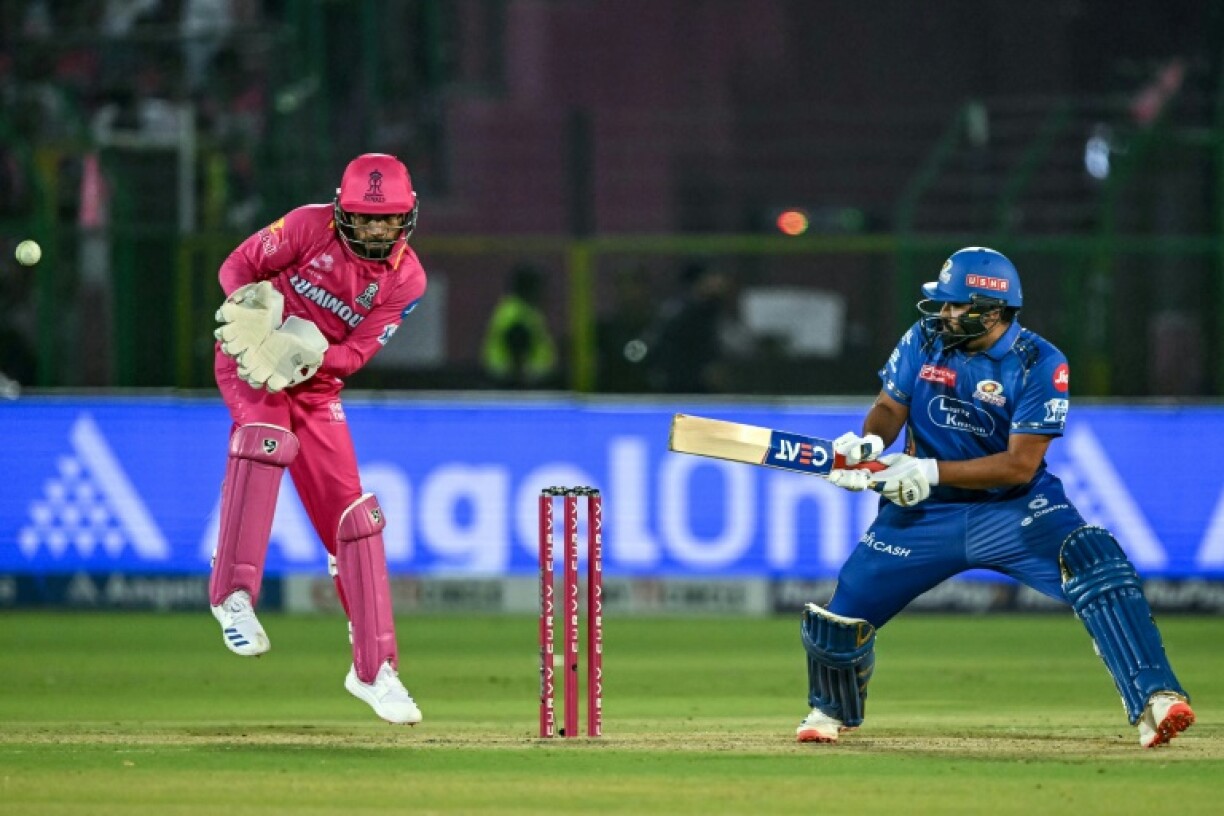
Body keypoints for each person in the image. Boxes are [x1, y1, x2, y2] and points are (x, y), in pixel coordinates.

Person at [799, 246, 1194, 749]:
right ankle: (830, 711)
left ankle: (1155, 699)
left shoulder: (1040, 363)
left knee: (1095, 559)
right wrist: (871, 444)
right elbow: (887, 406)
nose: (943, 313)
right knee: (841, 613)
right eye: (943, 304)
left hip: (1016, 510)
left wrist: (930, 470)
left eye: (955, 305)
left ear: (991, 310)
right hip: (926, 514)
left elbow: (1019, 463)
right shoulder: (924, 338)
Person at [209, 153, 426, 725]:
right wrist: (251, 311)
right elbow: (237, 266)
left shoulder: (406, 279)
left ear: (407, 218)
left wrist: (309, 354)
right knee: (265, 439)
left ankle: (374, 672)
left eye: (388, 219)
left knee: (354, 521)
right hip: (251, 360)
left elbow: (355, 355)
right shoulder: (307, 225)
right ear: (341, 211)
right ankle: (232, 594)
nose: (376, 229)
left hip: (314, 382)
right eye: (364, 218)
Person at [481, 263, 558, 388]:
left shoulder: (523, 310)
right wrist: (521, 383)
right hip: (514, 383)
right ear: (529, 287)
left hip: (516, 380)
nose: (544, 292)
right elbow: (517, 352)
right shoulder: (517, 315)